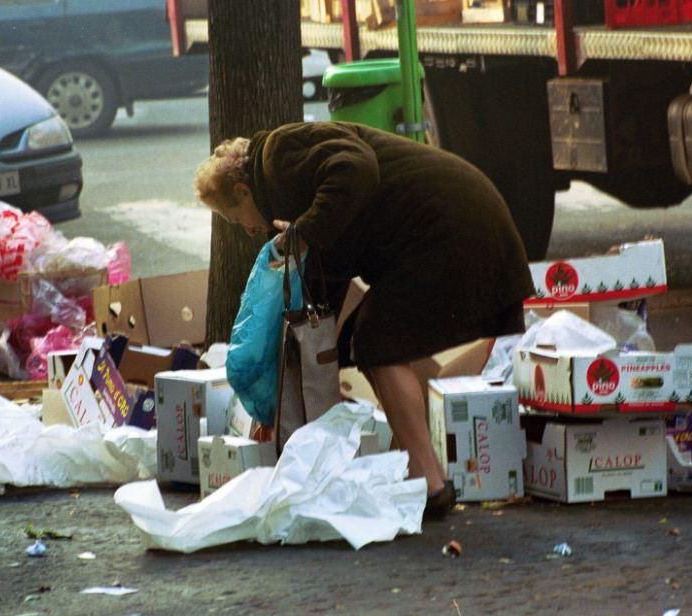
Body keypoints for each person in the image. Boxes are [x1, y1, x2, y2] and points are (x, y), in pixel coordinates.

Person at [194, 121, 534, 520]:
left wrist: (306, 233)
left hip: (452, 225)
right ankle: (421, 458)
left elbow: (356, 168)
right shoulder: (282, 183)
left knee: (379, 341)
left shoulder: (277, 158)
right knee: (367, 338)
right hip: (451, 223)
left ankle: (430, 482)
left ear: (242, 191)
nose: (250, 230)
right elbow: (335, 266)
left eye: (237, 219)